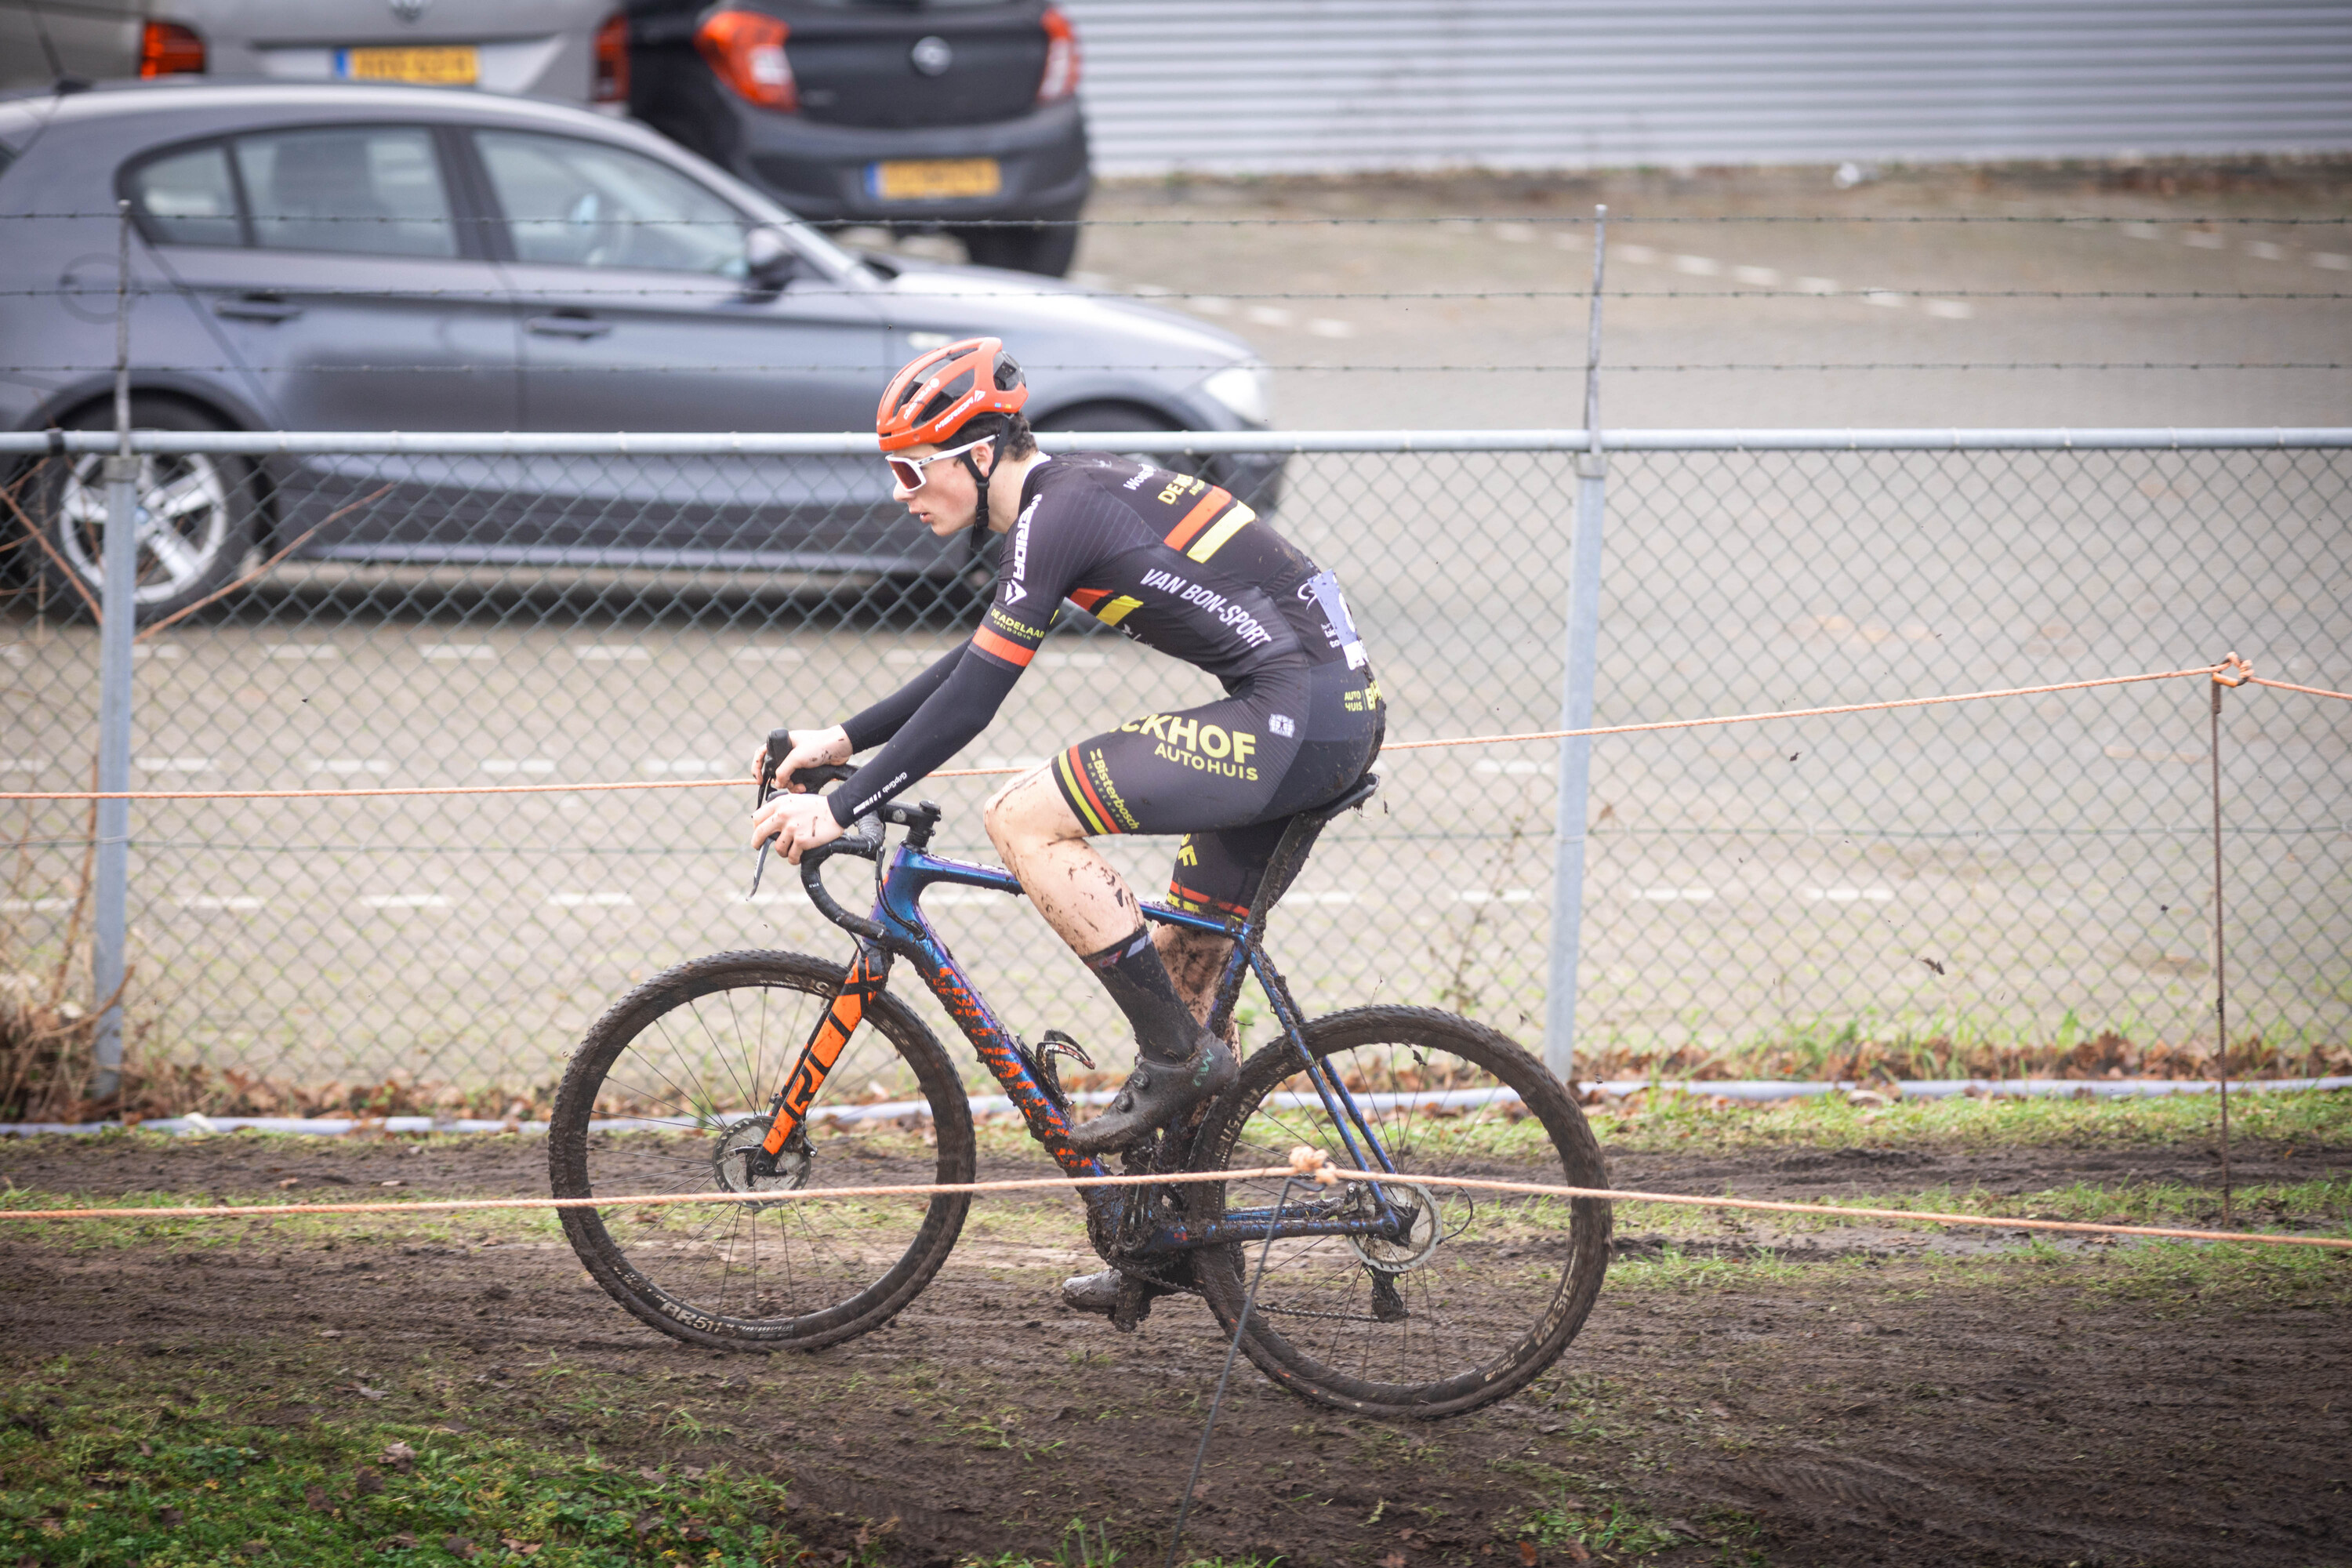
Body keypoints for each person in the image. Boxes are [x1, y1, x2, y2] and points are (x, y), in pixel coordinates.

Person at [751, 337, 1382, 1308]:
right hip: (1312, 713)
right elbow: (971, 666)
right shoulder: (1060, 506)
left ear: (977, 454)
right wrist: (840, 740)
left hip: (1293, 716)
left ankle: (1178, 1058)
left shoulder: (1059, 513)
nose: (899, 492)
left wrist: (839, 805)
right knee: (1182, 967)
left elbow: (974, 705)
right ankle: (1164, 1243)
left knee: (1023, 814)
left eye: (912, 469)